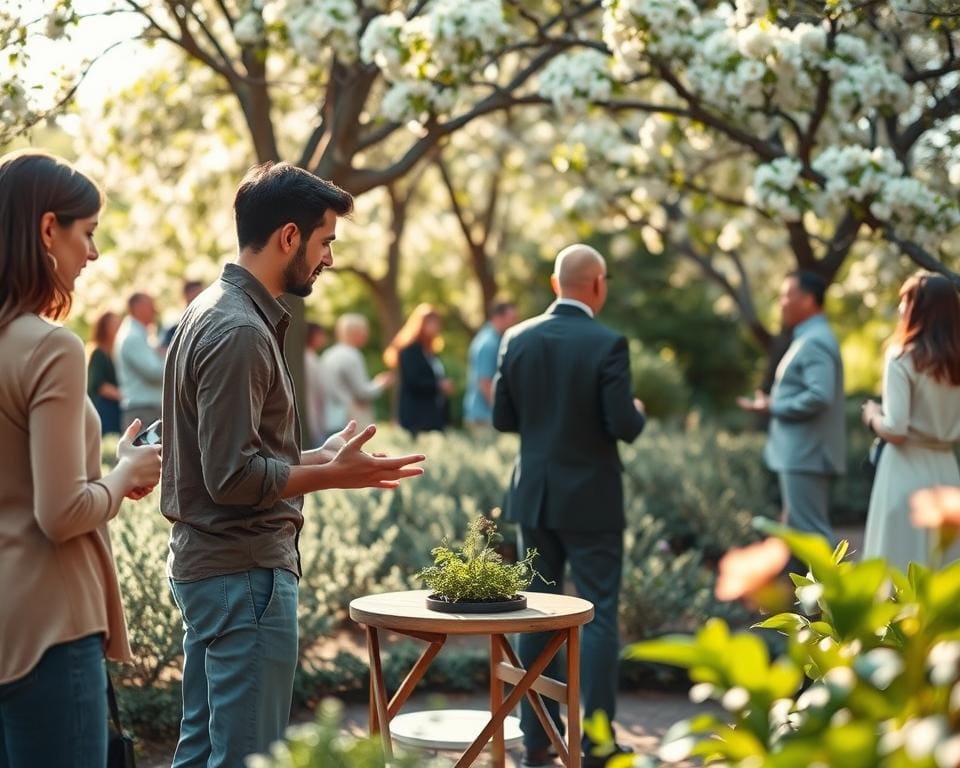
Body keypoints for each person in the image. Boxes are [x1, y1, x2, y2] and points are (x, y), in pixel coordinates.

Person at [160, 161, 425, 768]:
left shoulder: (216, 309)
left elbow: (223, 460)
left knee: (201, 752)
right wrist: (333, 475)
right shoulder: (238, 331)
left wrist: (321, 456)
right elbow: (233, 479)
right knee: (245, 757)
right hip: (242, 575)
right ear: (288, 237)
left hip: (217, 572)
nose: (328, 258)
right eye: (325, 240)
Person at [0, 150, 162, 767]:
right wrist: (123, 476)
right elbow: (62, 513)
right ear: (48, 230)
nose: (92, 254)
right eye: (87, 233)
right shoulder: (52, 348)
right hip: (50, 626)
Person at [493, 244, 646, 768]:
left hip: (534, 494)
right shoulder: (608, 343)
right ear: (598, 284)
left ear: (557, 284)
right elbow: (621, 425)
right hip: (593, 499)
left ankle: (538, 738)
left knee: (536, 611)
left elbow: (502, 419)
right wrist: (638, 412)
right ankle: (599, 743)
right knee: (598, 615)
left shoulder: (516, 338)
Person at [861, 272, 960, 570]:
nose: (901, 307)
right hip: (947, 471)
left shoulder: (902, 358)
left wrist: (872, 417)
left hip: (904, 471)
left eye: (906, 300)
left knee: (896, 566)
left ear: (919, 307)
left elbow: (896, 429)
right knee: (945, 569)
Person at [737, 271, 845, 544]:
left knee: (813, 537)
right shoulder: (810, 337)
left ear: (808, 300)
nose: (781, 302)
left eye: (787, 294)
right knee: (798, 534)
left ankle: (844, 587)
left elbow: (819, 396)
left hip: (806, 453)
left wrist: (774, 406)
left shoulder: (815, 340)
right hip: (803, 454)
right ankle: (802, 588)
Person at [319, 313, 394, 435]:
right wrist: (380, 383)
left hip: (331, 419)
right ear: (355, 333)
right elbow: (362, 392)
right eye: (364, 330)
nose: (367, 334)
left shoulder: (328, 354)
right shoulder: (352, 355)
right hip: (351, 420)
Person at [384, 303, 453, 436]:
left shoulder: (432, 352)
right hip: (416, 417)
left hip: (434, 416)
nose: (435, 327)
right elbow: (412, 381)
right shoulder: (409, 351)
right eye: (430, 323)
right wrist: (438, 385)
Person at [463, 300, 519, 432]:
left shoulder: (496, 339)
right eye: (511, 318)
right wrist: (503, 414)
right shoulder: (489, 343)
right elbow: (485, 382)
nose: (515, 323)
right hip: (484, 418)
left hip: (486, 416)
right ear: (497, 318)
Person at [114, 291, 165, 430]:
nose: (155, 310)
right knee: (145, 451)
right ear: (137, 308)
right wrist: (176, 361)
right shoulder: (132, 337)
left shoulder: (139, 334)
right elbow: (154, 372)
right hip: (143, 412)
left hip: (145, 410)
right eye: (150, 305)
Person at [87, 310, 122, 434]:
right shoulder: (98, 354)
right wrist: (124, 396)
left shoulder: (117, 351)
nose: (118, 328)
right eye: (114, 325)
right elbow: (100, 385)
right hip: (104, 409)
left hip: (116, 409)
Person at [303, 322, 329, 447]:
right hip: (313, 413)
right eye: (321, 334)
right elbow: (320, 391)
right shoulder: (310, 359)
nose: (324, 338)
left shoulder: (308, 357)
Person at [161, 279, 205, 347]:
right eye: (196, 294)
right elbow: (163, 349)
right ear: (186, 295)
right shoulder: (174, 326)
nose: (200, 298)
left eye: (202, 294)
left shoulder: (207, 322)